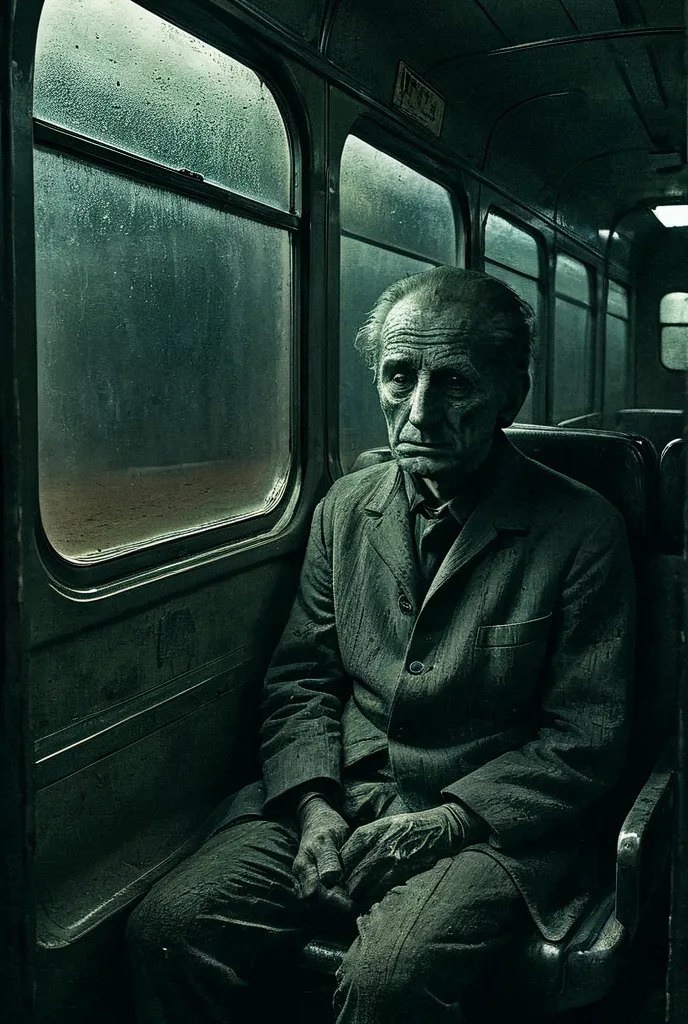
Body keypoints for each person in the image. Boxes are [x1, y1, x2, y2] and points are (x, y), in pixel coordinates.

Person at [126, 267, 635, 1023]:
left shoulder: (582, 531)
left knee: (388, 983)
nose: (419, 411)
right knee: (168, 931)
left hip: (488, 823)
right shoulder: (343, 508)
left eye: (454, 383)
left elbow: (584, 739)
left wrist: (450, 820)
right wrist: (314, 807)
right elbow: (302, 682)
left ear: (510, 396)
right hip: (339, 790)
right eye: (400, 377)